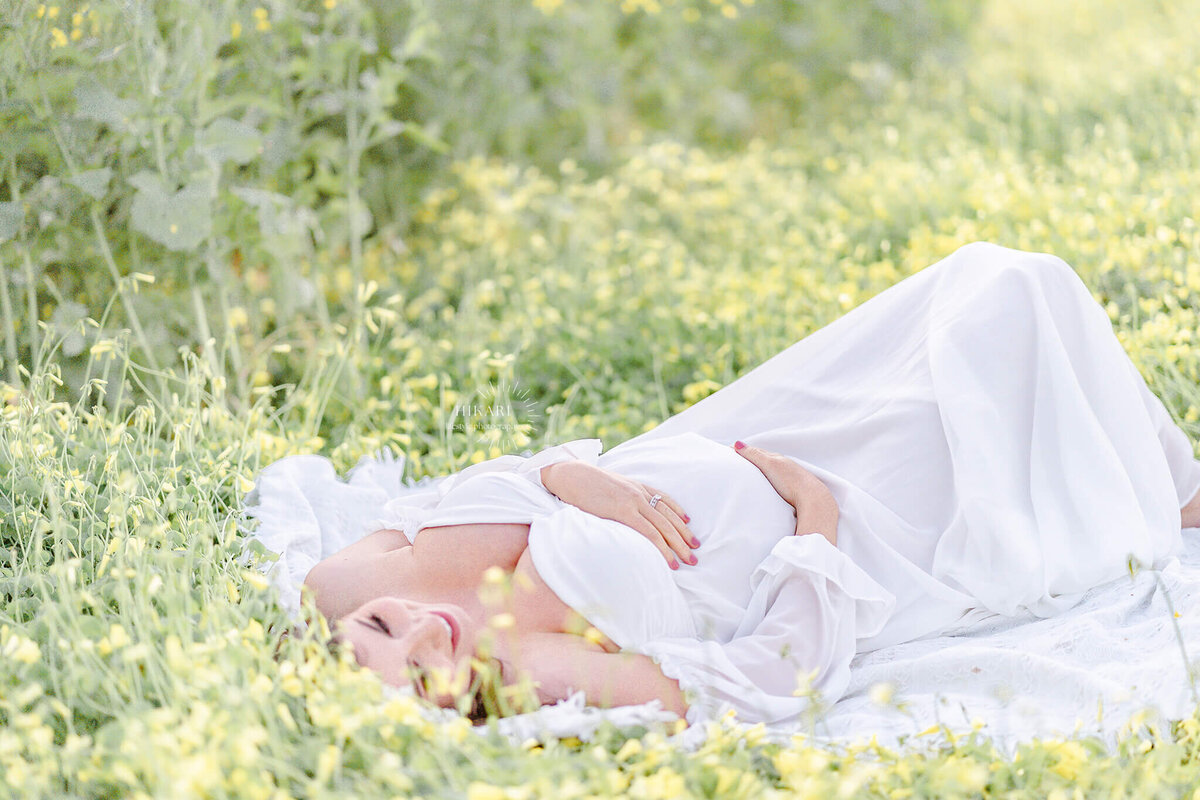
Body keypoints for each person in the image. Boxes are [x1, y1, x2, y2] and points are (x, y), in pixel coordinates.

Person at [303, 242, 1200, 727]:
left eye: (386, 628)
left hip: (743, 432)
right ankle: (1179, 493)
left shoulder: (341, 584)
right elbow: (763, 683)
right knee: (1013, 329)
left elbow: (464, 489)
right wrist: (817, 526)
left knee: (993, 284)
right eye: (425, 671)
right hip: (843, 526)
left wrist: (577, 480)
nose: (429, 626)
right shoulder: (526, 672)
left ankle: (1174, 477)